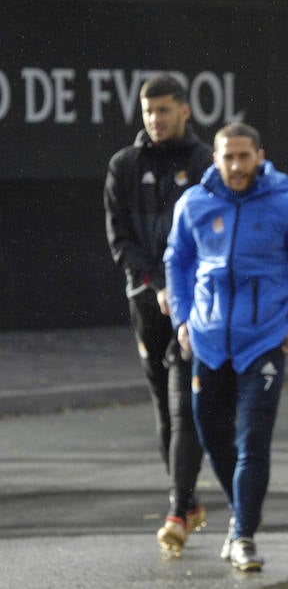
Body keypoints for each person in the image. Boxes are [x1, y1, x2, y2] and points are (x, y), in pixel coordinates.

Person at [164, 122, 288, 571]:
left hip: (264, 341)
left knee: (253, 440)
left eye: (244, 156)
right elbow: (176, 260)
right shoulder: (194, 203)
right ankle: (242, 509)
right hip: (208, 340)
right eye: (227, 157)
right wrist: (182, 318)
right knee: (213, 435)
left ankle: (244, 536)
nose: (236, 166)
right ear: (214, 159)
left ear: (259, 155)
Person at [103, 73, 212, 556]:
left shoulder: (205, 162)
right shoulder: (124, 165)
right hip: (146, 301)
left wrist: (182, 288)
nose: (156, 120)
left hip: (194, 305)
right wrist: (155, 283)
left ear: (184, 111)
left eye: (164, 110)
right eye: (149, 112)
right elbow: (119, 238)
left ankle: (177, 506)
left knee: (185, 404)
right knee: (162, 408)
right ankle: (185, 500)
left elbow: (209, 237)